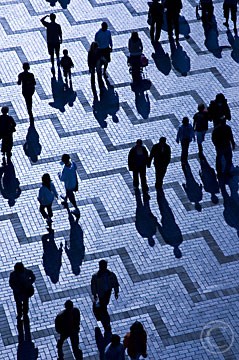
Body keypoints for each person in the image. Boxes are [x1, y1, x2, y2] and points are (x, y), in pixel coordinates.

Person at [91, 260, 119, 332]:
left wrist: (116, 291)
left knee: (104, 304)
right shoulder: (96, 276)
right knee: (103, 307)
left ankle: (103, 317)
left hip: (107, 292)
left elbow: (115, 283)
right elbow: (93, 286)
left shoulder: (111, 274)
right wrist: (94, 294)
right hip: (101, 294)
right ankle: (105, 320)